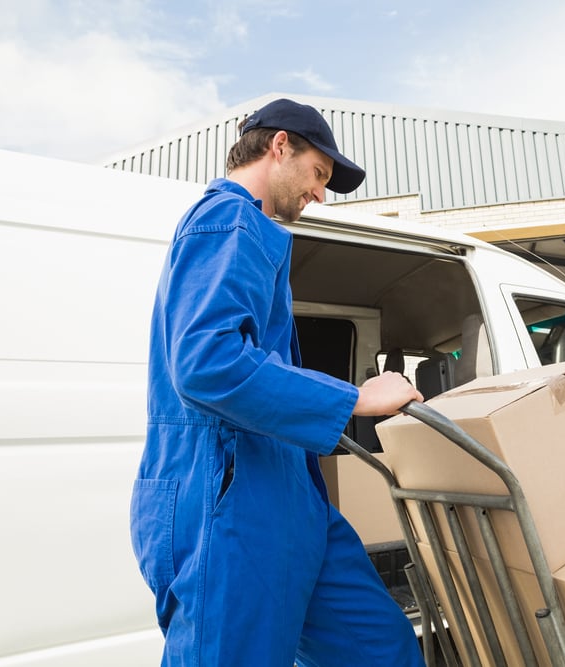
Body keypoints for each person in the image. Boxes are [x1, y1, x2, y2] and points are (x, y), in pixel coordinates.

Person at [129, 98, 426, 666]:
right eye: (319, 174)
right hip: (232, 503)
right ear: (280, 145)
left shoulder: (251, 231)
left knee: (381, 650)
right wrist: (356, 397)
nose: (319, 193)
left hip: (290, 498)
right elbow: (206, 362)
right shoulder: (229, 218)